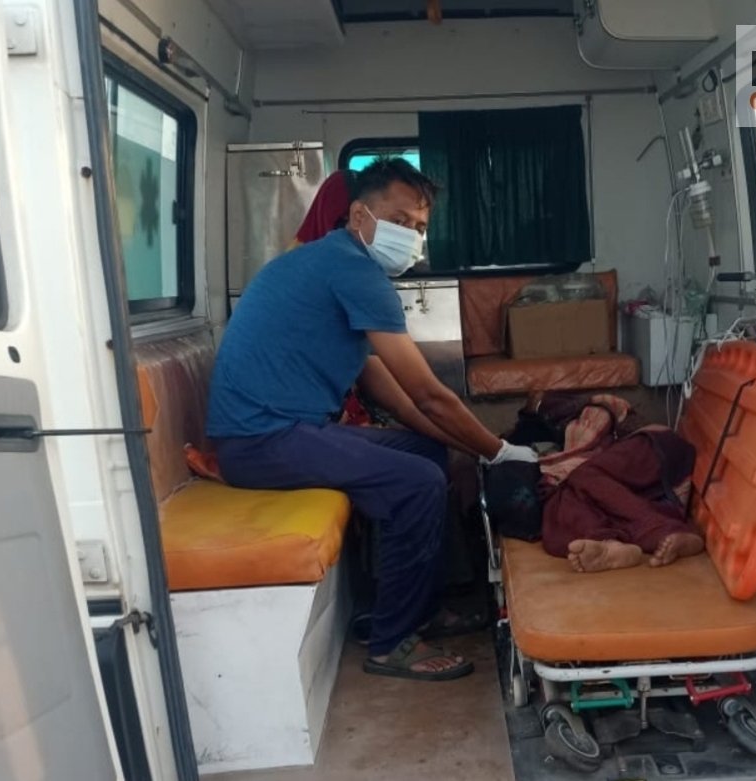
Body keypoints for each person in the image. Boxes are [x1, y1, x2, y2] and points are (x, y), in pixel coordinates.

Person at [206, 158, 537, 681]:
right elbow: (427, 395)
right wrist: (499, 451)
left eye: (420, 227)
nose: (412, 236)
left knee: (426, 452)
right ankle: (391, 641)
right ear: (359, 215)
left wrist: (466, 445)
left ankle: (417, 606)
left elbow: (399, 399)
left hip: (279, 433)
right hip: (262, 441)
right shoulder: (354, 271)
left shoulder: (332, 263)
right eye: (400, 221)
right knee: (418, 482)